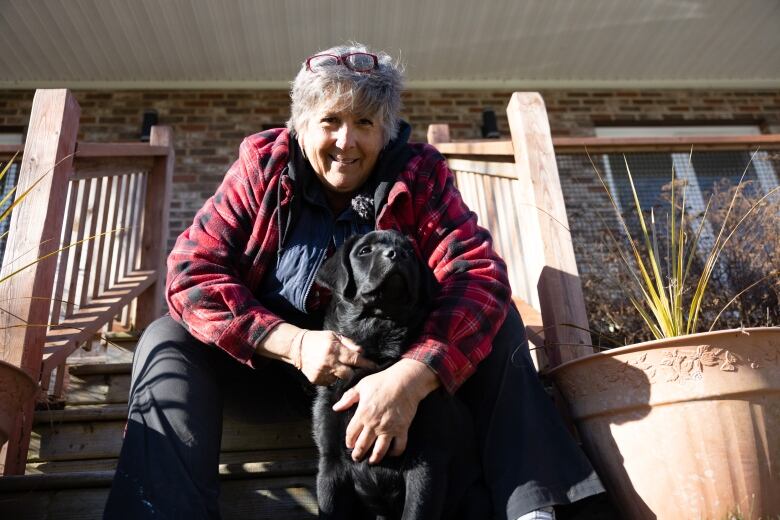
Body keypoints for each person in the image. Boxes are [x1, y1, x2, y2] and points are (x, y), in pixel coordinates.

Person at [103, 43, 605, 520]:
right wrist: (292, 343)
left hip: (391, 368)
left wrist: (412, 378)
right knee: (165, 337)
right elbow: (191, 274)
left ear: (384, 130)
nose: (347, 142)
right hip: (272, 371)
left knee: (497, 318)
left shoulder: (419, 173)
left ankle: (534, 507)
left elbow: (477, 275)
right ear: (301, 128)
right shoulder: (262, 165)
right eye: (331, 122)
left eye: (364, 123)